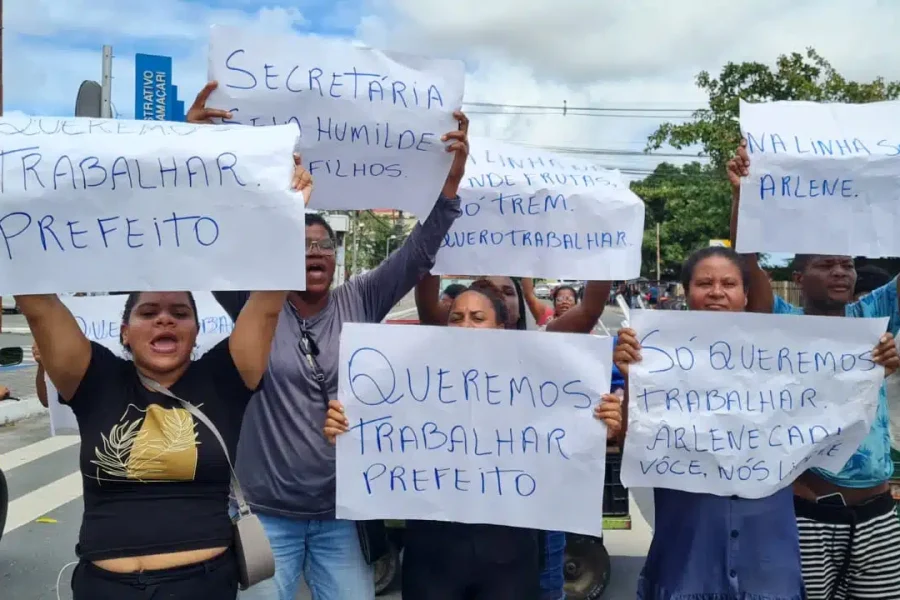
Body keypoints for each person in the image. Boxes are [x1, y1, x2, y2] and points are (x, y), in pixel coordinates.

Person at [187, 81, 470, 600]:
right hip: (265, 514)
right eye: (300, 242)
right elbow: (206, 244)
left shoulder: (362, 297)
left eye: (325, 244)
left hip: (341, 516)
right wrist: (198, 148)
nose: (314, 252)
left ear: (336, 254)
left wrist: (450, 181)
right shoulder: (252, 305)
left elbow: (419, 250)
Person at [13, 160, 311, 600]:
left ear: (195, 330)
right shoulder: (92, 378)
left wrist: (288, 217)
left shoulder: (225, 377)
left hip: (201, 585)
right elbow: (36, 300)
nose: (165, 321)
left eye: (180, 312)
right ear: (124, 331)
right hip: (103, 588)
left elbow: (267, 303)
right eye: (148, 313)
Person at [614, 245, 898, 600]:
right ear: (687, 292)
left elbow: (826, 413)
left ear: (746, 294)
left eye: (728, 283)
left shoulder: (780, 354)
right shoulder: (652, 352)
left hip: (767, 559)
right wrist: (631, 375)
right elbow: (635, 445)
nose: (717, 291)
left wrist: (867, 375)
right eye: (705, 283)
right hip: (688, 555)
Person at [325, 279, 622, 599]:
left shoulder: (534, 384)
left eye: (478, 319)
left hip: (509, 557)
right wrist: (344, 429)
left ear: (501, 328)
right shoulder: (412, 380)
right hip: (432, 558)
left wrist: (601, 421)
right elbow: (374, 430)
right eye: (457, 318)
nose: (466, 325)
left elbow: (569, 435)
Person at [728, 141, 900, 599]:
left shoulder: (873, 318)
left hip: (880, 517)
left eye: (846, 264)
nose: (841, 271)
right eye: (826, 264)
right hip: (808, 517)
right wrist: (744, 197)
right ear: (800, 279)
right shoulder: (782, 321)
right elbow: (748, 266)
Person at [415, 274, 611, 600]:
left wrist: (607, 417)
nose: (468, 324)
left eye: (508, 292)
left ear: (513, 313)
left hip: (517, 534)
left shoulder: (539, 360)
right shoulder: (424, 372)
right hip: (446, 541)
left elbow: (590, 311)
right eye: (459, 317)